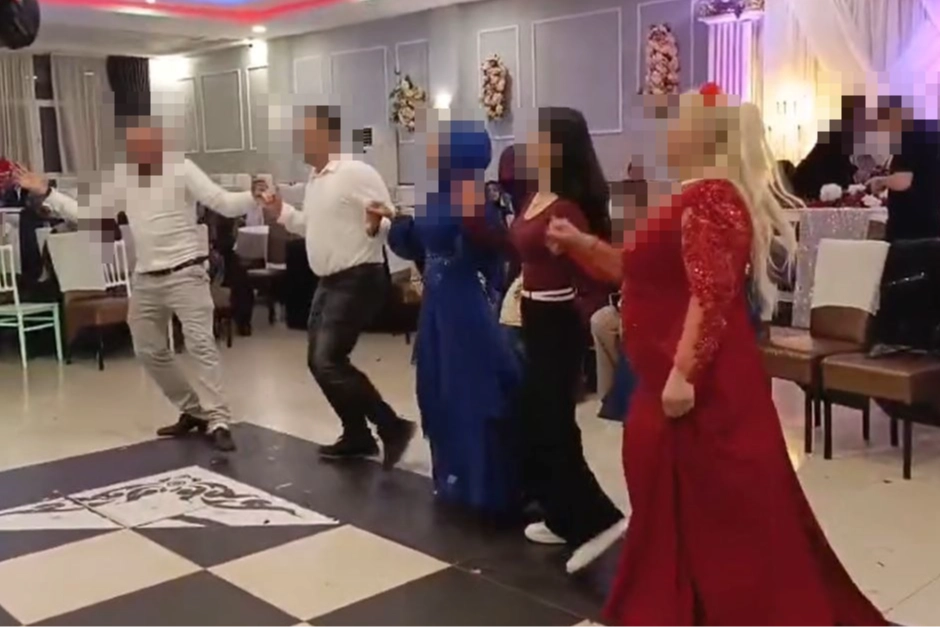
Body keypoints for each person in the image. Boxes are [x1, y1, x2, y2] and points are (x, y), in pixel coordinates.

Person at [547, 91, 886, 627]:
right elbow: (628, 268)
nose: (668, 131)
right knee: (682, 498)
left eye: (678, 121)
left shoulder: (711, 198)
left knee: (721, 508)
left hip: (701, 387)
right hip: (669, 379)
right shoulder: (692, 195)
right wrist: (579, 242)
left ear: (701, 134)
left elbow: (713, 294)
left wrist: (684, 373)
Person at [16, 116, 259, 451]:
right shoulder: (125, 178)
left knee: (200, 346)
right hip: (146, 278)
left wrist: (253, 196)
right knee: (147, 349)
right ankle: (194, 410)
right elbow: (90, 214)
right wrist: (48, 193)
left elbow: (223, 202)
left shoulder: (181, 169)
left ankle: (218, 419)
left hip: (186, 273)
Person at [369, 120, 522, 514]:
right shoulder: (439, 192)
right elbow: (416, 241)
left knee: (469, 390)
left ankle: (483, 486)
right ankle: (454, 478)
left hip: (465, 304)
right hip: (439, 303)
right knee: (439, 390)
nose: (431, 150)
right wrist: (391, 221)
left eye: (441, 144)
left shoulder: (475, 197)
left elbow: (494, 248)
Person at [256, 105, 414, 468]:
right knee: (319, 362)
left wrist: (375, 227)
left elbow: (389, 217)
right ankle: (357, 434)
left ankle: (391, 426)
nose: (299, 140)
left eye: (305, 133)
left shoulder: (355, 173)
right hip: (330, 280)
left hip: (359, 277)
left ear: (326, 135)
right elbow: (309, 226)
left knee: (327, 360)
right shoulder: (316, 179)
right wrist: (279, 210)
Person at [509, 106, 625, 574]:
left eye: (538, 139)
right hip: (532, 313)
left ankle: (597, 520)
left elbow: (595, 266)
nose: (529, 146)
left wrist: (571, 250)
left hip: (557, 319)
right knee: (537, 418)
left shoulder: (567, 207)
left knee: (552, 420)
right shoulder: (535, 195)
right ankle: (560, 513)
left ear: (557, 148)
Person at [868, 99, 940, 242]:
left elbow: (903, 181)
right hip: (931, 220)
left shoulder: (909, 136)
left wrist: (880, 182)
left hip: (908, 225)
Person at [791, 94, 864, 200]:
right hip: (812, 187)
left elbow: (840, 163)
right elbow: (836, 165)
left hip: (813, 184)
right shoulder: (838, 134)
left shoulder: (839, 132)